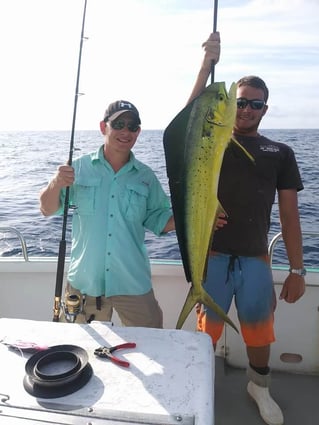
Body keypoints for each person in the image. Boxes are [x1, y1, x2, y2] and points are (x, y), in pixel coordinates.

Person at [189, 33, 305, 425]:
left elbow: (290, 217)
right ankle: (196, 385)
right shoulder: (214, 141)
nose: (246, 109)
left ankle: (259, 386)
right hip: (214, 257)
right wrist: (206, 66)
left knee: (259, 332)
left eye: (255, 104)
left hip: (256, 258)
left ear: (265, 109)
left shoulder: (281, 153)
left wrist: (297, 269)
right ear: (230, 104)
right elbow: (190, 121)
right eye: (240, 102)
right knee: (207, 331)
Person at [39, 100, 174, 327]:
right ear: (104, 127)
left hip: (132, 282)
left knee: (154, 345)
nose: (125, 131)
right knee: (80, 353)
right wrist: (55, 184)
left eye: (132, 127)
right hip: (84, 282)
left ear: (138, 132)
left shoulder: (146, 176)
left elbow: (158, 220)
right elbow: (47, 209)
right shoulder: (78, 168)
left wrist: (194, 218)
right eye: (119, 124)